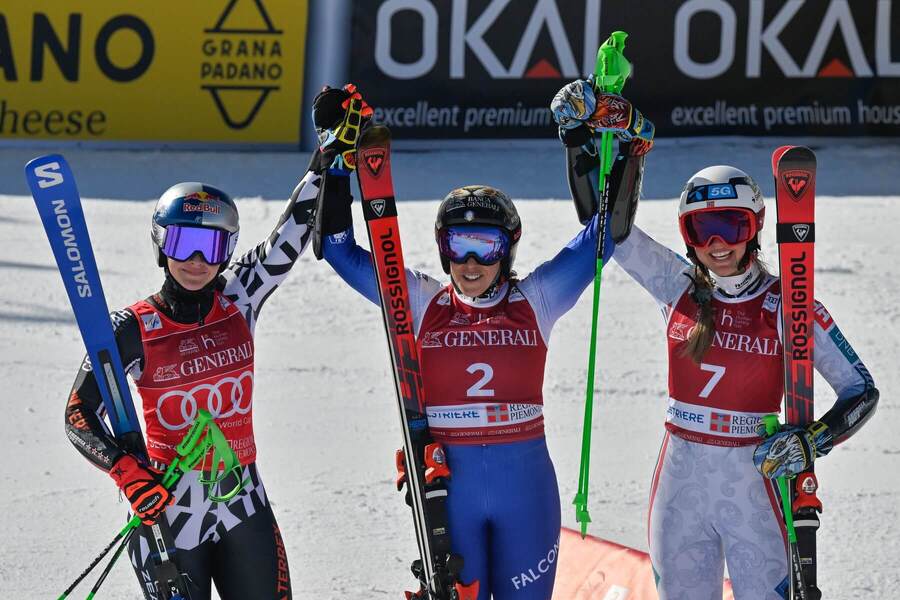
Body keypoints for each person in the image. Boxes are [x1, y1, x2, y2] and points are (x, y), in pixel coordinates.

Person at [314, 85, 653, 599]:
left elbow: (606, 233)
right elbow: (338, 250)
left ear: (508, 249)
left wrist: (615, 142)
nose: (470, 264)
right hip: (453, 492)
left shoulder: (536, 299)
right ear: (443, 249)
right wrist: (335, 158)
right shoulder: (421, 302)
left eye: (485, 246)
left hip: (527, 495)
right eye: (458, 246)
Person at [552, 79, 880, 599]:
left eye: (731, 224)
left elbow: (862, 391)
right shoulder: (676, 285)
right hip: (680, 477)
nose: (718, 243)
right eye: (703, 228)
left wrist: (810, 440)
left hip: (756, 479)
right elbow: (608, 230)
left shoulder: (788, 304)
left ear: (756, 226)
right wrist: (577, 140)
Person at [62, 86, 371, 599]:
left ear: (226, 251)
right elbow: (78, 413)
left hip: (242, 501)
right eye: (183, 241)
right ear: (162, 244)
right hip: (168, 509)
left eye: (211, 245)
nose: (196, 261)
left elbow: (288, 238)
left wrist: (329, 155)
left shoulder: (239, 298)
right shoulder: (133, 326)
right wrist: (127, 473)